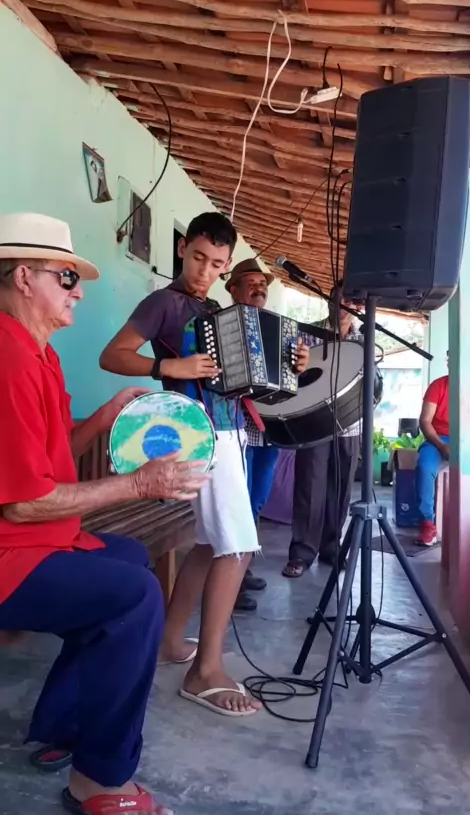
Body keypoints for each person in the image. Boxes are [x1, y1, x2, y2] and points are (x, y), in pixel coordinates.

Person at [0, 212, 208, 815]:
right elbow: (24, 501)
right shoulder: (9, 358)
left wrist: (110, 411)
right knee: (133, 598)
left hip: (37, 540)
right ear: (23, 277)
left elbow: (49, 456)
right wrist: (139, 483)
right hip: (12, 552)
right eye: (66, 277)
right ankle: (99, 781)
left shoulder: (37, 353)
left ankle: (67, 726)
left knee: (130, 557)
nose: (79, 292)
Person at [100, 212, 262, 718]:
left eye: (216, 264)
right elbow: (113, 355)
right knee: (238, 547)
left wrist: (287, 367)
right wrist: (167, 365)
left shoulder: (215, 309)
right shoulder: (163, 303)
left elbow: (241, 376)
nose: (204, 271)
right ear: (182, 249)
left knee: (211, 543)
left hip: (230, 431)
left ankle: (170, 642)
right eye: (197, 258)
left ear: (227, 265)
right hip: (198, 433)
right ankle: (205, 671)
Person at [226, 258, 310, 610]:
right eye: (251, 282)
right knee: (238, 503)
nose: (259, 288)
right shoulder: (224, 324)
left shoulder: (281, 328)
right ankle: (228, 583)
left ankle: (241, 569)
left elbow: (293, 376)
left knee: (256, 501)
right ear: (233, 289)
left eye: (262, 284)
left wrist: (300, 363)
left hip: (270, 429)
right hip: (237, 427)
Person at [282, 280, 361, 578]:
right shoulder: (307, 334)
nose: (344, 306)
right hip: (313, 423)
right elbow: (291, 375)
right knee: (309, 486)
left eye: (350, 301)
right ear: (328, 301)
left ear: (358, 307)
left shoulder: (364, 340)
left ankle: (332, 549)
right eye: (339, 299)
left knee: (340, 489)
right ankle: (302, 553)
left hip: (350, 424)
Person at [415, 353, 449, 547]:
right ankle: (428, 523)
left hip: (469, 438)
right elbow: (425, 421)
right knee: (425, 466)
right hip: (438, 438)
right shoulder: (438, 386)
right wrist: (441, 446)